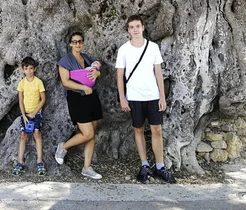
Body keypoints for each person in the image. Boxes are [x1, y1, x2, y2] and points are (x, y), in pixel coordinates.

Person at [116, 15, 176, 184]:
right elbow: (119, 75)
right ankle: (144, 165)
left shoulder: (153, 48)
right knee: (138, 130)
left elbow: (158, 73)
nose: (135, 29)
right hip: (134, 97)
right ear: (128, 30)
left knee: (157, 130)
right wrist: (122, 97)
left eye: (137, 26)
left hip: (153, 96)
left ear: (143, 27)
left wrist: (162, 97)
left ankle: (160, 166)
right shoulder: (124, 50)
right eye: (131, 27)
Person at [55, 31, 103, 180]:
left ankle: (87, 168)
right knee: (87, 133)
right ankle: (63, 147)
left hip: (92, 97)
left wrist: (97, 74)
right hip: (77, 98)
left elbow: (96, 72)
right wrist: (83, 88)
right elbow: (65, 81)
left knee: (92, 133)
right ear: (70, 44)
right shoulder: (65, 61)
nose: (78, 44)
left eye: (80, 41)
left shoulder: (87, 58)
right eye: (75, 42)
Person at [13, 56, 47, 176]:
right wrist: (24, 115)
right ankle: (20, 161)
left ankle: (39, 161)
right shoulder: (21, 83)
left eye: (31, 68)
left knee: (37, 134)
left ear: (35, 69)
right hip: (25, 114)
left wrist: (34, 112)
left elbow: (43, 99)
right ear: (23, 70)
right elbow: (20, 101)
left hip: (36, 113)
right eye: (26, 68)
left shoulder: (38, 82)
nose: (29, 71)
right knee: (23, 135)